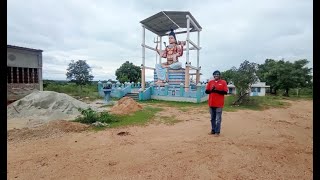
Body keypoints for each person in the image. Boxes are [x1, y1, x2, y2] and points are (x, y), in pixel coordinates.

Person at [205, 70, 228, 136]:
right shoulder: (210, 82)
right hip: (211, 103)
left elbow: (225, 92)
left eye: (217, 74)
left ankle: (217, 132)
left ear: (219, 75)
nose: (216, 75)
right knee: (212, 118)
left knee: (218, 119)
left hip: (219, 104)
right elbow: (206, 92)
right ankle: (213, 130)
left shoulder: (223, 82)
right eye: (215, 74)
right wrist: (211, 90)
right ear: (213, 75)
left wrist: (216, 90)